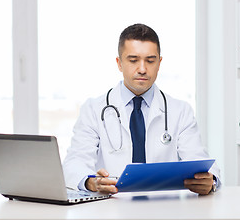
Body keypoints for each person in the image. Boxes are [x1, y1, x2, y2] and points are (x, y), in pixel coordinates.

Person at [63, 23, 220, 195]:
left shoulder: (180, 111)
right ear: (119, 63)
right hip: (111, 207)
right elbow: (74, 163)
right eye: (133, 60)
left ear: (159, 63)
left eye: (150, 61)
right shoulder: (93, 109)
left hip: (165, 208)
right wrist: (91, 182)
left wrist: (209, 181)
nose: (143, 69)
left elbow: (200, 160)